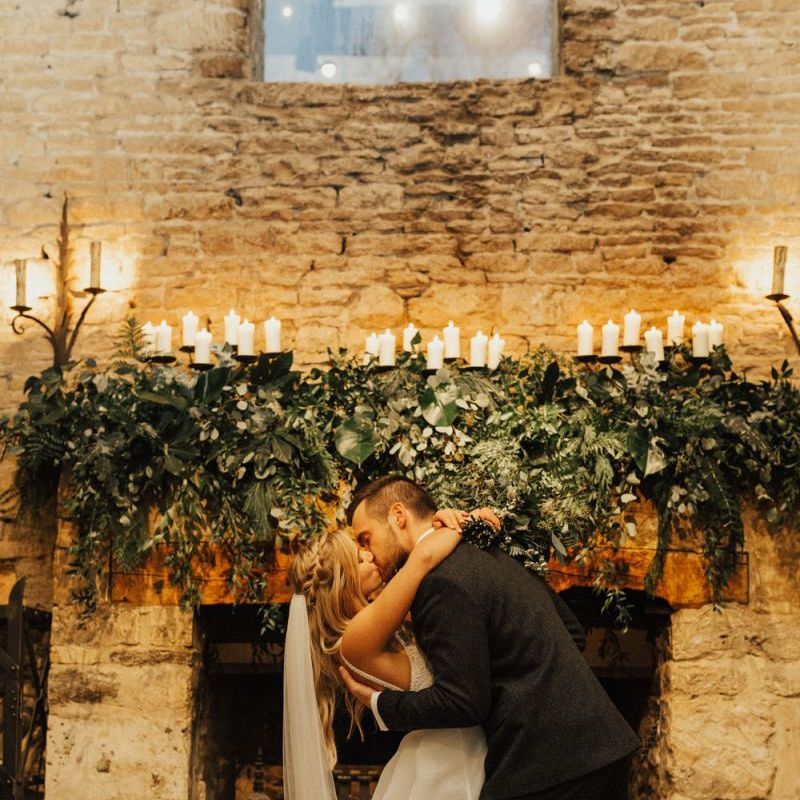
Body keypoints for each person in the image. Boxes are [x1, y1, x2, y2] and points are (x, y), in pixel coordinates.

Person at [340, 475, 640, 800]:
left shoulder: (439, 582)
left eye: (367, 539)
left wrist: (380, 704)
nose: (368, 553)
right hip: (603, 747)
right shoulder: (484, 551)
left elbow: (462, 702)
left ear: (398, 515)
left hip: (550, 765)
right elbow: (573, 633)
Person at [283, 505, 495, 800]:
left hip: (453, 750)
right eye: (360, 557)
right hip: (451, 759)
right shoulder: (354, 640)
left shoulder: (383, 620)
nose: (370, 555)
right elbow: (423, 558)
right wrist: (470, 522)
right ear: (343, 581)